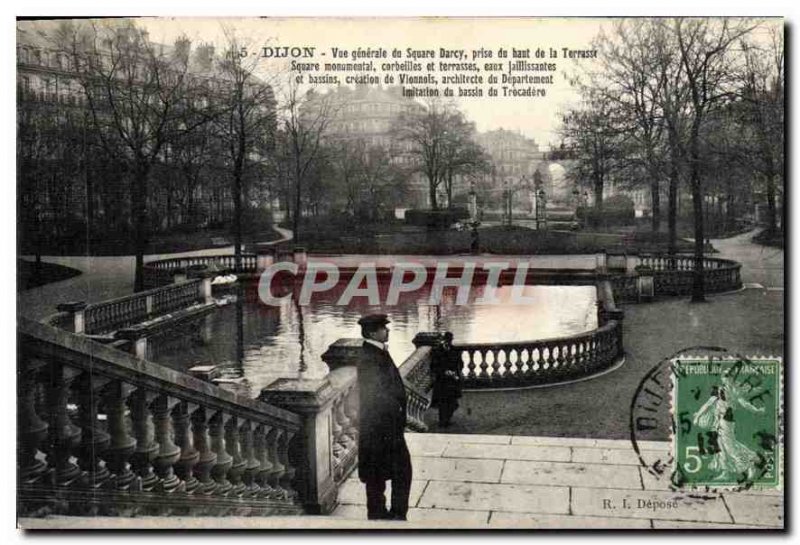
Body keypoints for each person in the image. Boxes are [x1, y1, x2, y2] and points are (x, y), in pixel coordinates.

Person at [356, 313, 412, 521]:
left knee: (377, 473)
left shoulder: (375, 352)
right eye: (383, 328)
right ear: (372, 332)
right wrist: (395, 416)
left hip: (380, 428)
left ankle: (380, 513)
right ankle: (393, 515)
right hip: (383, 429)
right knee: (398, 472)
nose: (387, 330)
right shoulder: (371, 357)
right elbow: (377, 395)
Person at [430, 332, 462, 427]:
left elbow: (460, 363)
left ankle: (447, 419)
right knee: (442, 402)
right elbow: (433, 366)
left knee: (452, 402)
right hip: (442, 381)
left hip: (452, 380)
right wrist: (444, 371)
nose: (448, 342)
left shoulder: (454, 350)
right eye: (447, 340)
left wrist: (455, 372)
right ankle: (442, 421)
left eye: (450, 340)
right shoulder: (437, 351)